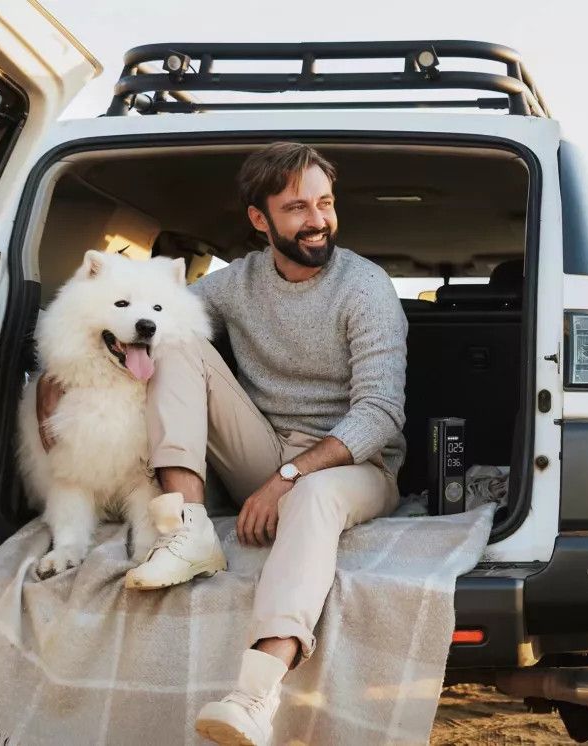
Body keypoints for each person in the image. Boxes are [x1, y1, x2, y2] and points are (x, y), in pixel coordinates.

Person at [37, 142, 408, 746]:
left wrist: (287, 480)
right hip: (263, 447)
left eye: (325, 203)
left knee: (312, 500)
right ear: (261, 221)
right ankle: (187, 529)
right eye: (297, 208)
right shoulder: (237, 284)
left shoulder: (365, 287)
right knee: (177, 337)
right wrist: (57, 375)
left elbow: (381, 413)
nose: (317, 220)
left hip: (353, 464)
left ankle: (254, 694)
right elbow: (141, 317)